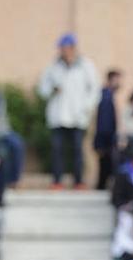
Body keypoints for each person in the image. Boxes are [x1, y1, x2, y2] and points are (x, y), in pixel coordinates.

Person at [35, 34, 99, 189]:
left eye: (68, 48)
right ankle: (57, 181)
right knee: (57, 150)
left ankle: (78, 181)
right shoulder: (53, 67)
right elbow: (42, 89)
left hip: (78, 116)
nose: (65, 52)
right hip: (58, 116)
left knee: (77, 149)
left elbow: (94, 90)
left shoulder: (86, 66)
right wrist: (52, 89)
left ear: (74, 49)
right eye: (62, 49)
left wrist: (86, 108)